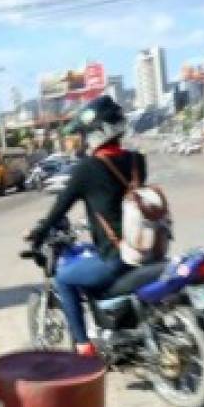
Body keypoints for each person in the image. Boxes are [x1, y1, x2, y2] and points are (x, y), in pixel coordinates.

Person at [24, 95, 145, 356]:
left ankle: (83, 346)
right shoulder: (137, 161)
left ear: (95, 132)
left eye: (84, 134)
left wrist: (38, 234)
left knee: (63, 279)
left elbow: (58, 210)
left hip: (116, 258)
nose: (82, 140)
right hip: (143, 250)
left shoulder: (87, 170)